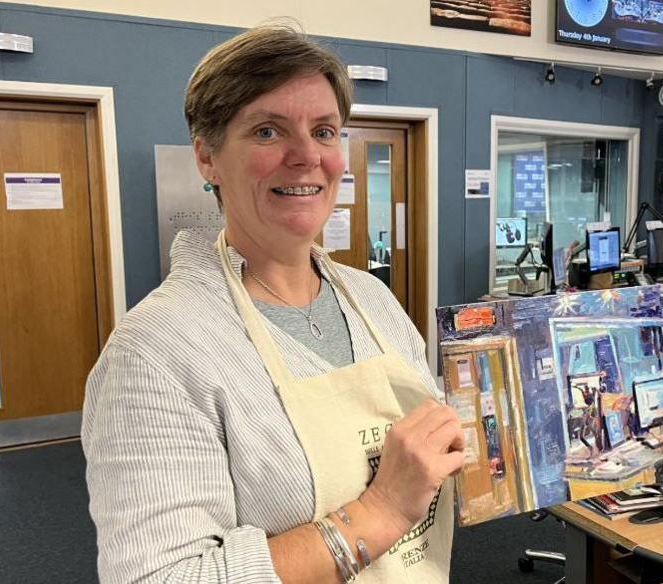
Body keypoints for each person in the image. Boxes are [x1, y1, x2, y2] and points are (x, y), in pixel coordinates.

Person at [81, 25, 464, 584]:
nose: (307, 156)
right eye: (267, 131)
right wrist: (380, 510)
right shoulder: (154, 353)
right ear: (207, 159)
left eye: (325, 131)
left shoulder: (372, 301)